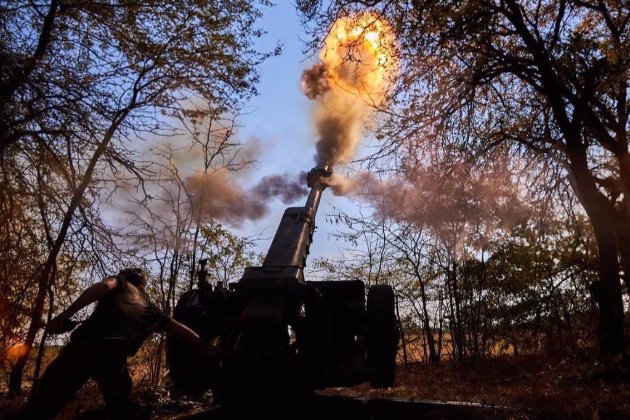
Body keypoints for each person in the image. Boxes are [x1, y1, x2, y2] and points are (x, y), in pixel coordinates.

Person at [20, 268, 215, 419]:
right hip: (114, 357)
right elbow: (182, 330)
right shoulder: (150, 309)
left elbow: (104, 287)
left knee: (42, 404)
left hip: (85, 347)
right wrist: (208, 350)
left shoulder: (119, 283)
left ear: (126, 276)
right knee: (120, 405)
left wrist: (64, 315)